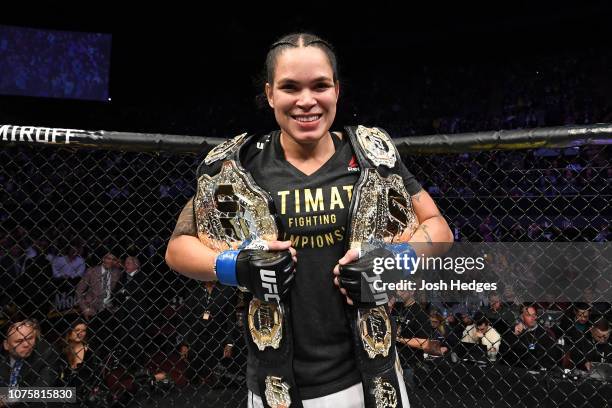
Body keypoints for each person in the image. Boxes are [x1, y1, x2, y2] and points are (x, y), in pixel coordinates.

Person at [165, 32, 452, 407]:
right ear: (270, 94)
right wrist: (235, 265)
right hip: (275, 381)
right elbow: (178, 249)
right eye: (290, 87)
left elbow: (439, 228)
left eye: (319, 86)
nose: (306, 101)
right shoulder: (239, 164)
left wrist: (395, 259)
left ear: (336, 89)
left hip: (370, 375)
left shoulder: (370, 155)